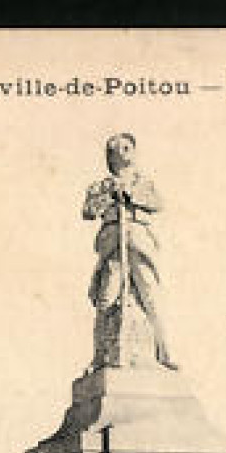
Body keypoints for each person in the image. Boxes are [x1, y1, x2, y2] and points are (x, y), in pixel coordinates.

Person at [83, 133, 174, 368]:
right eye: (116, 149)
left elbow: (158, 203)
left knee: (150, 296)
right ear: (110, 157)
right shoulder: (101, 186)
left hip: (139, 240)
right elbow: (88, 211)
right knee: (106, 298)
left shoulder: (143, 183)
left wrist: (132, 195)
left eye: (127, 148)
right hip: (113, 242)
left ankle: (165, 352)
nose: (122, 152)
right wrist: (108, 197)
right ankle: (100, 355)